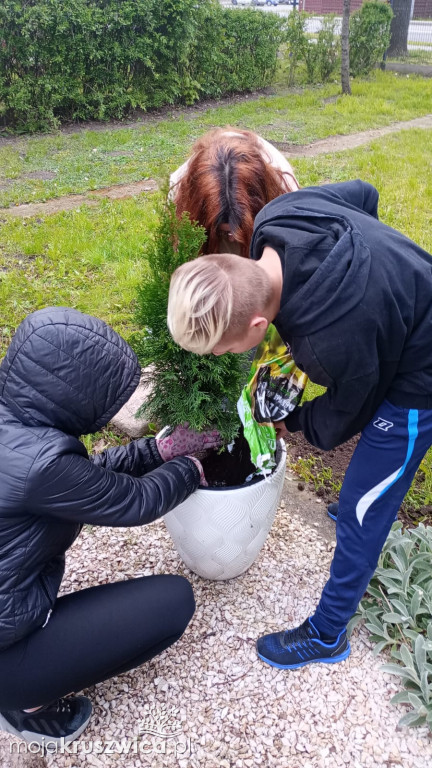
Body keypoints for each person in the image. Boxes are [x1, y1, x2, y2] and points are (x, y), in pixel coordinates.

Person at [166, 179, 432, 670]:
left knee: (361, 507)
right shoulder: (280, 218)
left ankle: (328, 634)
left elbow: (344, 417)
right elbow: (366, 194)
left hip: (420, 373)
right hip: (408, 295)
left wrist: (294, 420)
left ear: (255, 328)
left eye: (225, 349)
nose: (228, 357)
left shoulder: (331, 348)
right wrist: (379, 276)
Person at [0, 307, 220, 746]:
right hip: (6, 649)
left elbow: (87, 478)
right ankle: (26, 704)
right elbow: (134, 502)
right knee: (173, 603)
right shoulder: (42, 466)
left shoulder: (17, 427)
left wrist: (158, 451)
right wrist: (190, 467)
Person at [170, 128, 299, 258]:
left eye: (235, 229)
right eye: (224, 232)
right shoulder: (181, 190)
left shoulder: (283, 191)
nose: (231, 238)